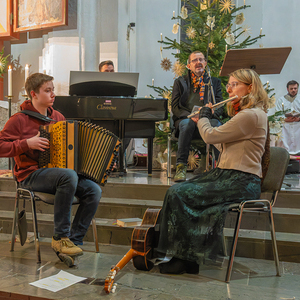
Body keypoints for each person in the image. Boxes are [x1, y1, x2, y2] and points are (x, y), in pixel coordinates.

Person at [155, 68, 269, 274]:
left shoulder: (251, 115)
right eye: (229, 84)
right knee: (179, 191)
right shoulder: (247, 115)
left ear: (250, 87)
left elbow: (210, 137)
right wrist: (201, 121)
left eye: (235, 84)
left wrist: (205, 117)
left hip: (241, 181)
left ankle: (184, 257)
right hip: (229, 176)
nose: (229, 89)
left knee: (178, 193)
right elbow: (222, 146)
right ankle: (187, 258)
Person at [0, 73, 101, 260]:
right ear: (34, 94)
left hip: (57, 174)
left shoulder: (58, 116)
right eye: (47, 90)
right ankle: (60, 237)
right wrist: (26, 144)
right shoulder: (19, 119)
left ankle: (74, 241)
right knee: (68, 176)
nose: (53, 94)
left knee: (93, 189)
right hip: (30, 175)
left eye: (53, 90)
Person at [171, 51, 224, 182]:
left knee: (217, 125)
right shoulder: (180, 82)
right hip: (187, 119)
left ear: (205, 63)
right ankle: (181, 166)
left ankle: (221, 167)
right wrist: (191, 116)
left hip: (208, 119)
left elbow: (220, 106)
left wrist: (210, 113)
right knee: (186, 124)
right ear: (189, 65)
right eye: (195, 60)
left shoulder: (214, 82)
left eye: (201, 59)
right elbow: (175, 107)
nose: (198, 62)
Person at [275, 80, 300, 155]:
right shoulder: (281, 100)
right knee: (285, 144)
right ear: (287, 89)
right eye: (291, 88)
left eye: (295, 88)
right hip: (286, 126)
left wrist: (299, 118)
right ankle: (286, 155)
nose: (293, 90)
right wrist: (285, 118)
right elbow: (277, 113)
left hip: (298, 125)